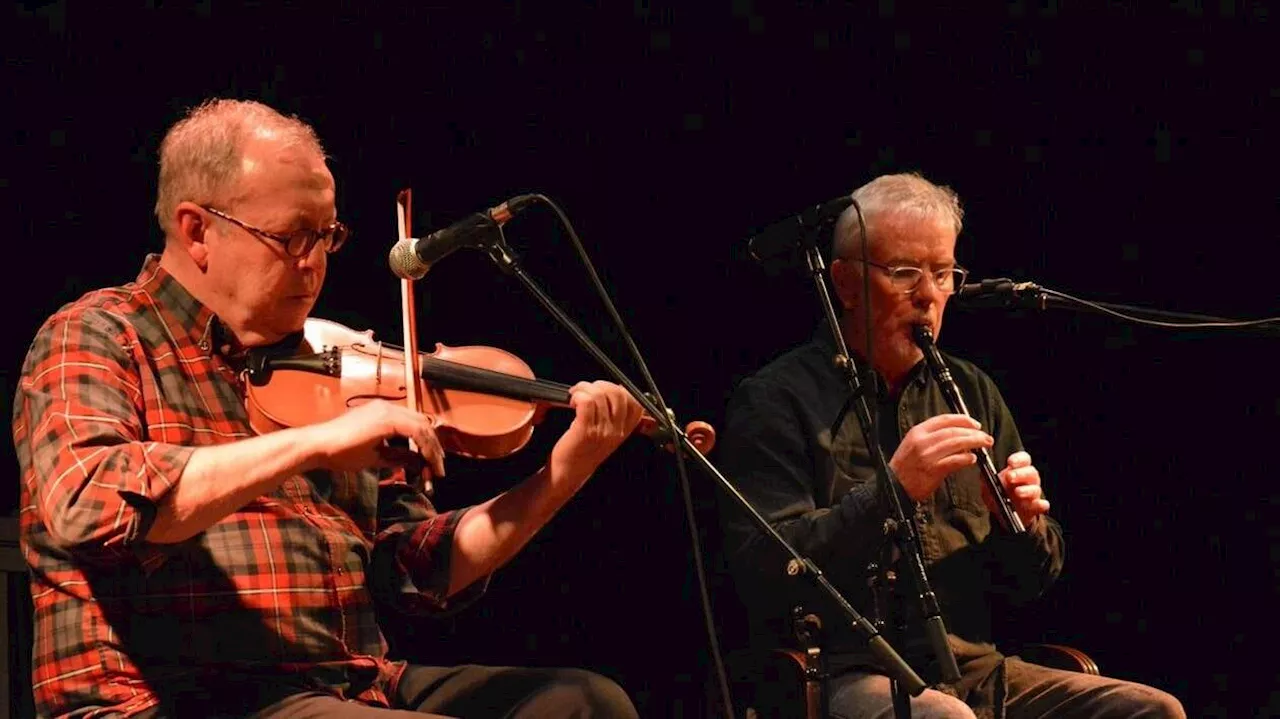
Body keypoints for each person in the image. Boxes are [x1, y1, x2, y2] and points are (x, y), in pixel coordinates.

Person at [11, 98, 645, 719]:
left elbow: (412, 571)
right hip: (178, 694)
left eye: (327, 235)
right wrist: (318, 444)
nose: (313, 264)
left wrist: (562, 476)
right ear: (197, 230)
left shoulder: (330, 361)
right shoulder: (98, 333)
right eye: (290, 237)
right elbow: (88, 504)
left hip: (349, 687)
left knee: (587, 704)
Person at [712, 172, 1185, 718]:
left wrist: (1023, 525)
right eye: (905, 273)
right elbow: (765, 573)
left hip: (976, 670)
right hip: (846, 673)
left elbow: (1029, 585)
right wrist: (893, 491)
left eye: (943, 274)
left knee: (1152, 710)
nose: (929, 296)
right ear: (843, 283)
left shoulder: (971, 390)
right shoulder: (776, 398)